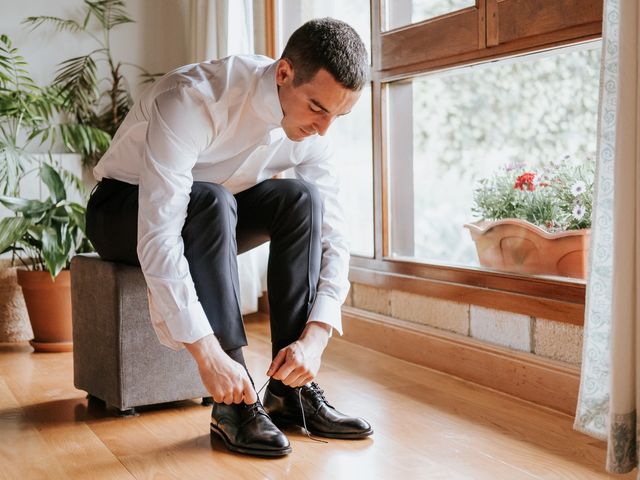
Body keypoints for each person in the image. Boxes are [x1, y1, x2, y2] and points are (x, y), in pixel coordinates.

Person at [85, 17, 372, 457]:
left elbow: (334, 234)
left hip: (213, 209)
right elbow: (159, 235)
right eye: (317, 108)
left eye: (339, 115)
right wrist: (208, 354)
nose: (324, 128)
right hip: (120, 209)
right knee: (211, 200)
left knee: (302, 199)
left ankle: (290, 391)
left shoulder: (317, 128)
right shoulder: (193, 98)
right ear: (283, 74)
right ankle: (233, 404)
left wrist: (315, 339)